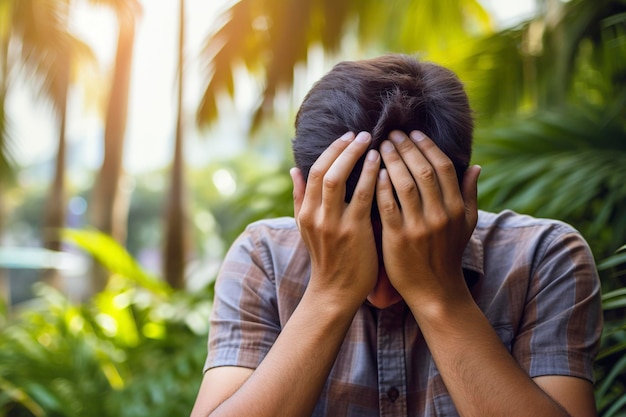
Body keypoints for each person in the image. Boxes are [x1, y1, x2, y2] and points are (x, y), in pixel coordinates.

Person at [190, 54, 602, 417]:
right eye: (353, 241)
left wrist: (440, 297)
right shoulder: (264, 255)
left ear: (464, 197)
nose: (382, 284)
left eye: (409, 235)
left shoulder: (544, 257)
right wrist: (330, 293)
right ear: (303, 199)